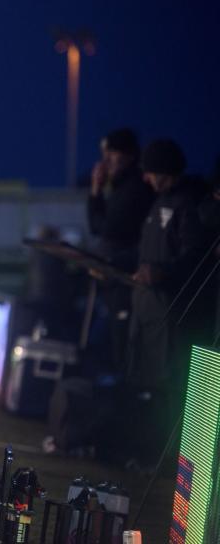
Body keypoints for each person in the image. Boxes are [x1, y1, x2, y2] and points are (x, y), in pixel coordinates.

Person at [126, 139, 212, 464]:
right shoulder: (158, 202)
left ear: (164, 171)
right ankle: (148, 455)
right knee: (148, 385)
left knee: (168, 389)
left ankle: (167, 463)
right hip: (148, 311)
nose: (147, 179)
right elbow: (143, 254)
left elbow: (195, 257)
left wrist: (160, 273)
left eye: (151, 173)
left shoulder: (188, 203)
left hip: (170, 314)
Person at [86, 128, 155, 372]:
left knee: (120, 350)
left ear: (127, 155)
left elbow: (106, 229)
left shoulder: (134, 189)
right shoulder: (118, 188)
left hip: (126, 281)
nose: (105, 161)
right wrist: (96, 191)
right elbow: (99, 228)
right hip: (114, 281)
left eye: (111, 153)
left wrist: (109, 260)